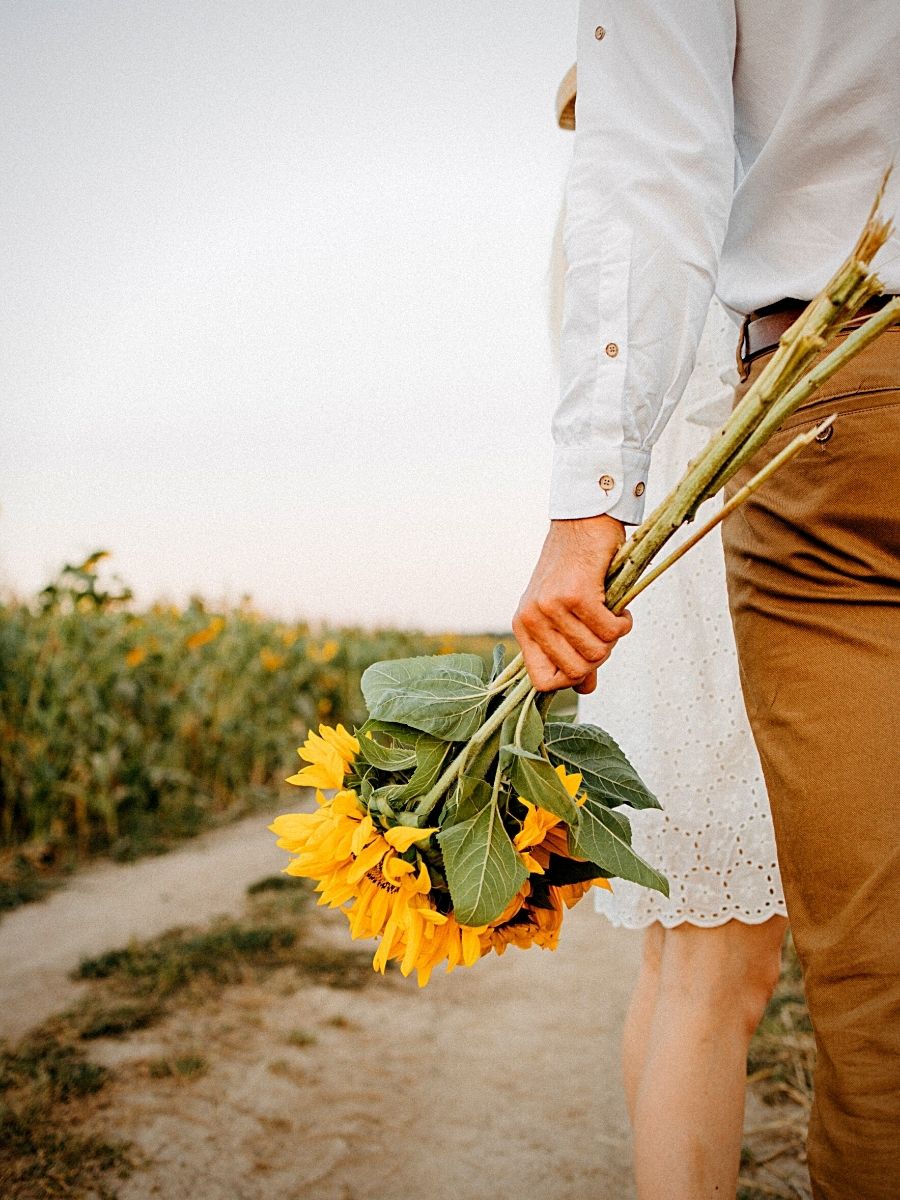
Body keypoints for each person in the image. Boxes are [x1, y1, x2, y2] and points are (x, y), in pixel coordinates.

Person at [513, 6, 900, 1200]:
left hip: (728, 572)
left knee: (711, 975)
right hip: (712, 610)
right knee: (723, 977)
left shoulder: (655, 234)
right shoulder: (699, 225)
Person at [549, 67, 788, 1200]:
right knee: (718, 973)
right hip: (717, 592)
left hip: (671, 591)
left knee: (681, 962)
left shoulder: (601, 216)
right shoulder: (698, 193)